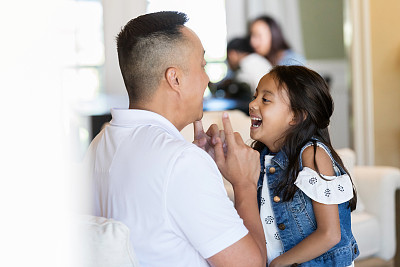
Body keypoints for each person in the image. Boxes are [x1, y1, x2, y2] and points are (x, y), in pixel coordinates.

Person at [85, 11, 266, 267]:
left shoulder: (99, 144)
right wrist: (245, 183)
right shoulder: (181, 162)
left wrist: (195, 164)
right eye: (202, 66)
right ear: (175, 78)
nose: (207, 79)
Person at [249, 65, 359, 266]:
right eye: (255, 96)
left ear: (296, 117)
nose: (253, 104)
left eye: (265, 100)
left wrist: (278, 264)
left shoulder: (312, 154)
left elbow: (330, 234)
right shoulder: (261, 157)